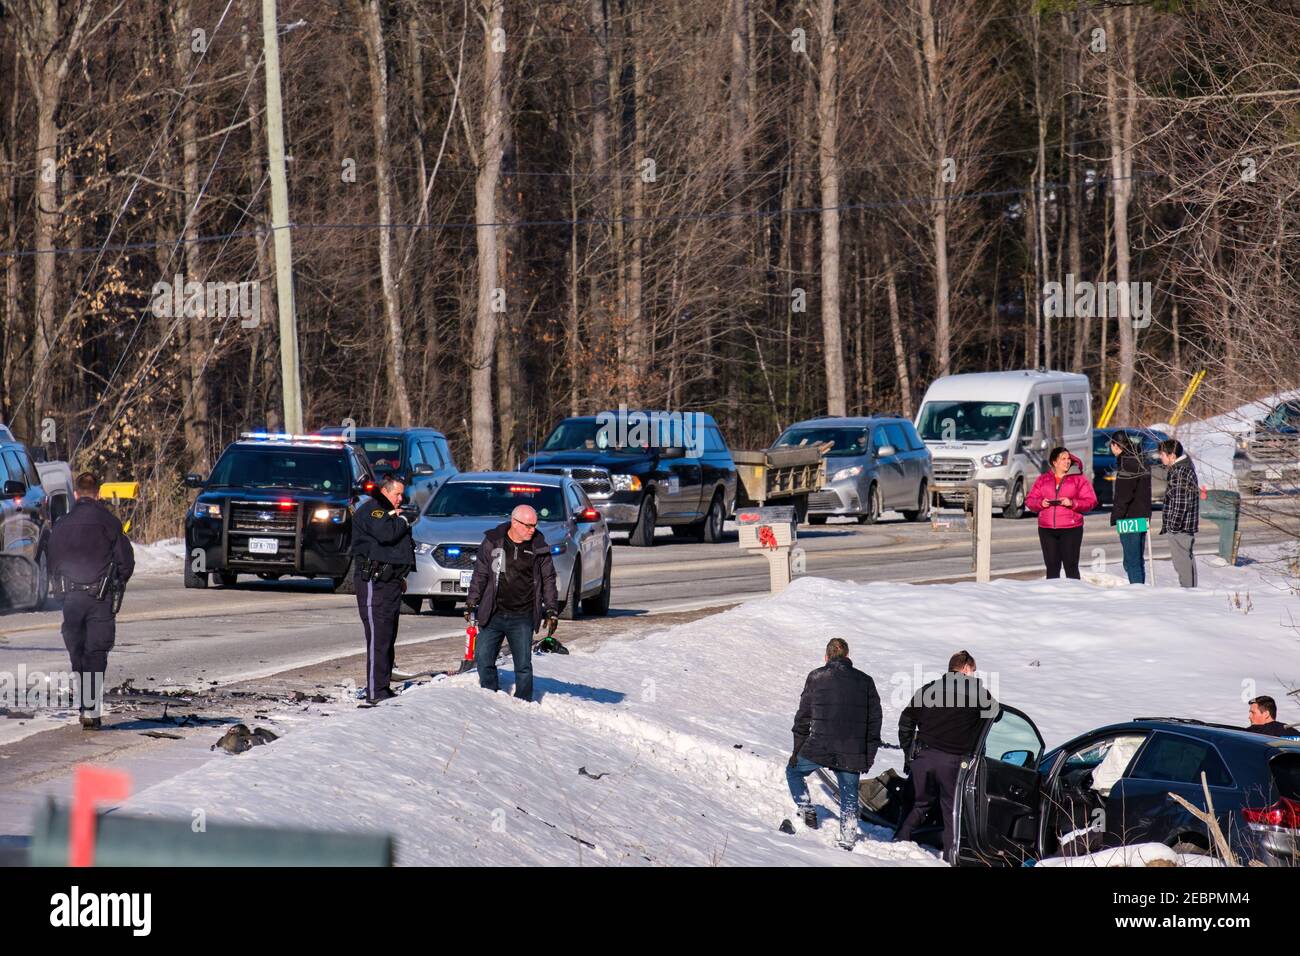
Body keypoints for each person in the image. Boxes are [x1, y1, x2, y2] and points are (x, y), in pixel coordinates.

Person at [47, 472, 135, 730]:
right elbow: (126, 563)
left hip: (71, 599)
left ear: (76, 494)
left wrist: (61, 592)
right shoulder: (109, 522)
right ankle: (90, 707)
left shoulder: (61, 524)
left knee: (78, 652)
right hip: (99, 597)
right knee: (96, 652)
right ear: (98, 494)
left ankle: (86, 703)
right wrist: (117, 582)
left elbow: (52, 563)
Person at [895, 650, 998, 862]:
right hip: (954, 763)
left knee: (919, 804)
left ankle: (899, 840)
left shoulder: (928, 689)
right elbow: (996, 714)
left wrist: (909, 752)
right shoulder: (978, 693)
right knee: (952, 812)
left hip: (924, 758)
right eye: (973, 671)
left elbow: (906, 721)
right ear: (966, 668)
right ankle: (952, 856)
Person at [785, 638, 882, 850]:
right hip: (852, 751)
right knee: (849, 794)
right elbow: (875, 720)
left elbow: (803, 716)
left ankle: (805, 807)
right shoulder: (866, 681)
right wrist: (869, 753)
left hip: (819, 746)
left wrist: (796, 749)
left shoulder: (816, 677)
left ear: (826, 657)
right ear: (847, 656)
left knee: (793, 771)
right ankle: (847, 839)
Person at [465, 504, 558, 703]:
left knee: (523, 664)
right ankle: (490, 695)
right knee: (483, 657)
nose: (532, 530)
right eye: (528, 525)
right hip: (494, 612)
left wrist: (551, 609)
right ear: (514, 523)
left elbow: (548, 579)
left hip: (522, 615)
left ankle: (523, 702)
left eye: (534, 525)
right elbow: (480, 574)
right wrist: (472, 602)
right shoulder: (493, 542)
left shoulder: (538, 547)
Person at [351, 474, 415, 703]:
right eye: (397, 494)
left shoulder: (389, 512)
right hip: (374, 582)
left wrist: (401, 576)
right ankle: (374, 691)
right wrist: (405, 520)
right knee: (378, 637)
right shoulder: (375, 509)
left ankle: (383, 686)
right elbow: (386, 534)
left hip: (391, 582)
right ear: (386, 491)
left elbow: (396, 548)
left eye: (402, 494)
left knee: (388, 636)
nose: (401, 498)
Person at [1026, 446, 1098, 579]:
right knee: (1052, 568)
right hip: (1046, 529)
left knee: (1071, 567)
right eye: (1063, 459)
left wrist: (1072, 503)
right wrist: (1040, 503)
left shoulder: (1078, 479)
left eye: (1068, 459)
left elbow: (1091, 501)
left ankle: (1074, 595)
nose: (1067, 462)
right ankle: (1053, 597)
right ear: (1054, 462)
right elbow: (1030, 500)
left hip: (1071, 529)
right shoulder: (1043, 479)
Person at [1110, 432, 1152, 584]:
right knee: (1136, 559)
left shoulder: (1128, 464)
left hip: (1130, 517)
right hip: (1141, 515)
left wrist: (1116, 517)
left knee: (1131, 561)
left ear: (1116, 445)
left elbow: (1123, 496)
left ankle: (1137, 591)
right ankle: (1139, 586)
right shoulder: (1140, 460)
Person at [1158, 438, 1200, 588]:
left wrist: (1173, 527)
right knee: (1186, 561)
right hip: (1184, 527)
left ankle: (1189, 593)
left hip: (1181, 528)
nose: (1160, 457)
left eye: (1162, 454)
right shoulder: (1182, 469)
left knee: (1182, 564)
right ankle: (1192, 591)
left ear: (1172, 456)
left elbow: (1180, 503)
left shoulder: (1180, 472)